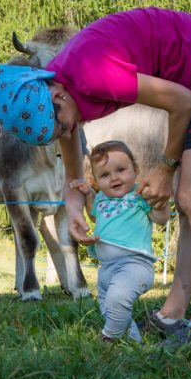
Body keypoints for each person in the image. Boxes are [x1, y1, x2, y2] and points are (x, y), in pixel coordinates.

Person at [0, 6, 191, 347]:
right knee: (187, 198)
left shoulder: (88, 73)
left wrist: (165, 167)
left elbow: (182, 102)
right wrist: (73, 201)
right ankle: (172, 315)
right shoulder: (56, 85)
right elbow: (70, 147)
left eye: (60, 125)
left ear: (56, 96)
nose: (66, 132)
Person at [70, 140, 169, 342]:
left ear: (135, 170)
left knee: (118, 299)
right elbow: (95, 216)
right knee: (110, 310)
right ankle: (133, 344)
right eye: (105, 175)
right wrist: (89, 194)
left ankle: (109, 338)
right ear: (97, 179)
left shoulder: (139, 195)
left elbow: (161, 219)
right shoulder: (102, 198)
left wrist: (160, 202)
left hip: (134, 265)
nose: (114, 178)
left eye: (121, 170)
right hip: (105, 270)